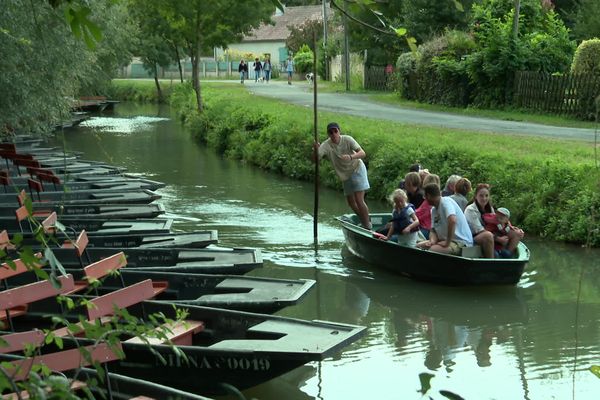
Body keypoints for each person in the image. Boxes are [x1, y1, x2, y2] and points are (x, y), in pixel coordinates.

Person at [314, 122, 371, 229]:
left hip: (357, 168)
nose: (334, 134)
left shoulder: (347, 139)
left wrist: (350, 156)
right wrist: (315, 150)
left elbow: (362, 153)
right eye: (331, 132)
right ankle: (365, 219)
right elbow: (315, 160)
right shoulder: (326, 145)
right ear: (328, 134)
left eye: (335, 131)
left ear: (339, 131)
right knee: (351, 202)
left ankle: (367, 225)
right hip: (345, 175)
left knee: (359, 199)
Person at [417, 183, 474, 255]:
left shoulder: (446, 202)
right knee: (417, 246)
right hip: (443, 241)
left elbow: (452, 220)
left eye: (425, 196)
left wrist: (447, 242)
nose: (424, 199)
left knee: (433, 250)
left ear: (428, 196)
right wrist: (432, 241)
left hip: (460, 242)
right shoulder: (433, 210)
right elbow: (433, 230)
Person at [463, 184, 498, 259]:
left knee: (515, 233)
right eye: (481, 196)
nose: (484, 198)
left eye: (486, 195)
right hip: (472, 238)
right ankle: (491, 263)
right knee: (488, 235)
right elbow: (479, 230)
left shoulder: (490, 208)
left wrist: (510, 228)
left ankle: (508, 257)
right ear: (476, 196)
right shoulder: (470, 210)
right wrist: (499, 239)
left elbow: (496, 224)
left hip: (489, 234)